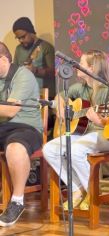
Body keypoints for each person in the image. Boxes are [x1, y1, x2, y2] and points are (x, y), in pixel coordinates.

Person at [43, 50, 109, 211]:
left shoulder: (108, 92)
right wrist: (61, 111)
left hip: (108, 136)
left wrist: (100, 120)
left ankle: (92, 191)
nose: (76, 66)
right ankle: (78, 188)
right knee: (49, 149)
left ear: (91, 68)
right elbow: (59, 97)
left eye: (80, 63)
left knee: (75, 150)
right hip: (86, 135)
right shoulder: (80, 88)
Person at [0, 42, 42, 226]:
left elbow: (10, 111)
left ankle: (17, 201)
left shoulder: (22, 75)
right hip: (2, 128)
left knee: (15, 148)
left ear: (3, 59)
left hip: (25, 127)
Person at [12, 17, 55, 99]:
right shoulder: (18, 49)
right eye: (18, 38)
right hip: (24, 96)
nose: (21, 40)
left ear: (31, 32)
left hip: (43, 96)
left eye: (23, 37)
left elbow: (54, 72)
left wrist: (35, 70)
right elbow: (14, 71)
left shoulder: (46, 47)